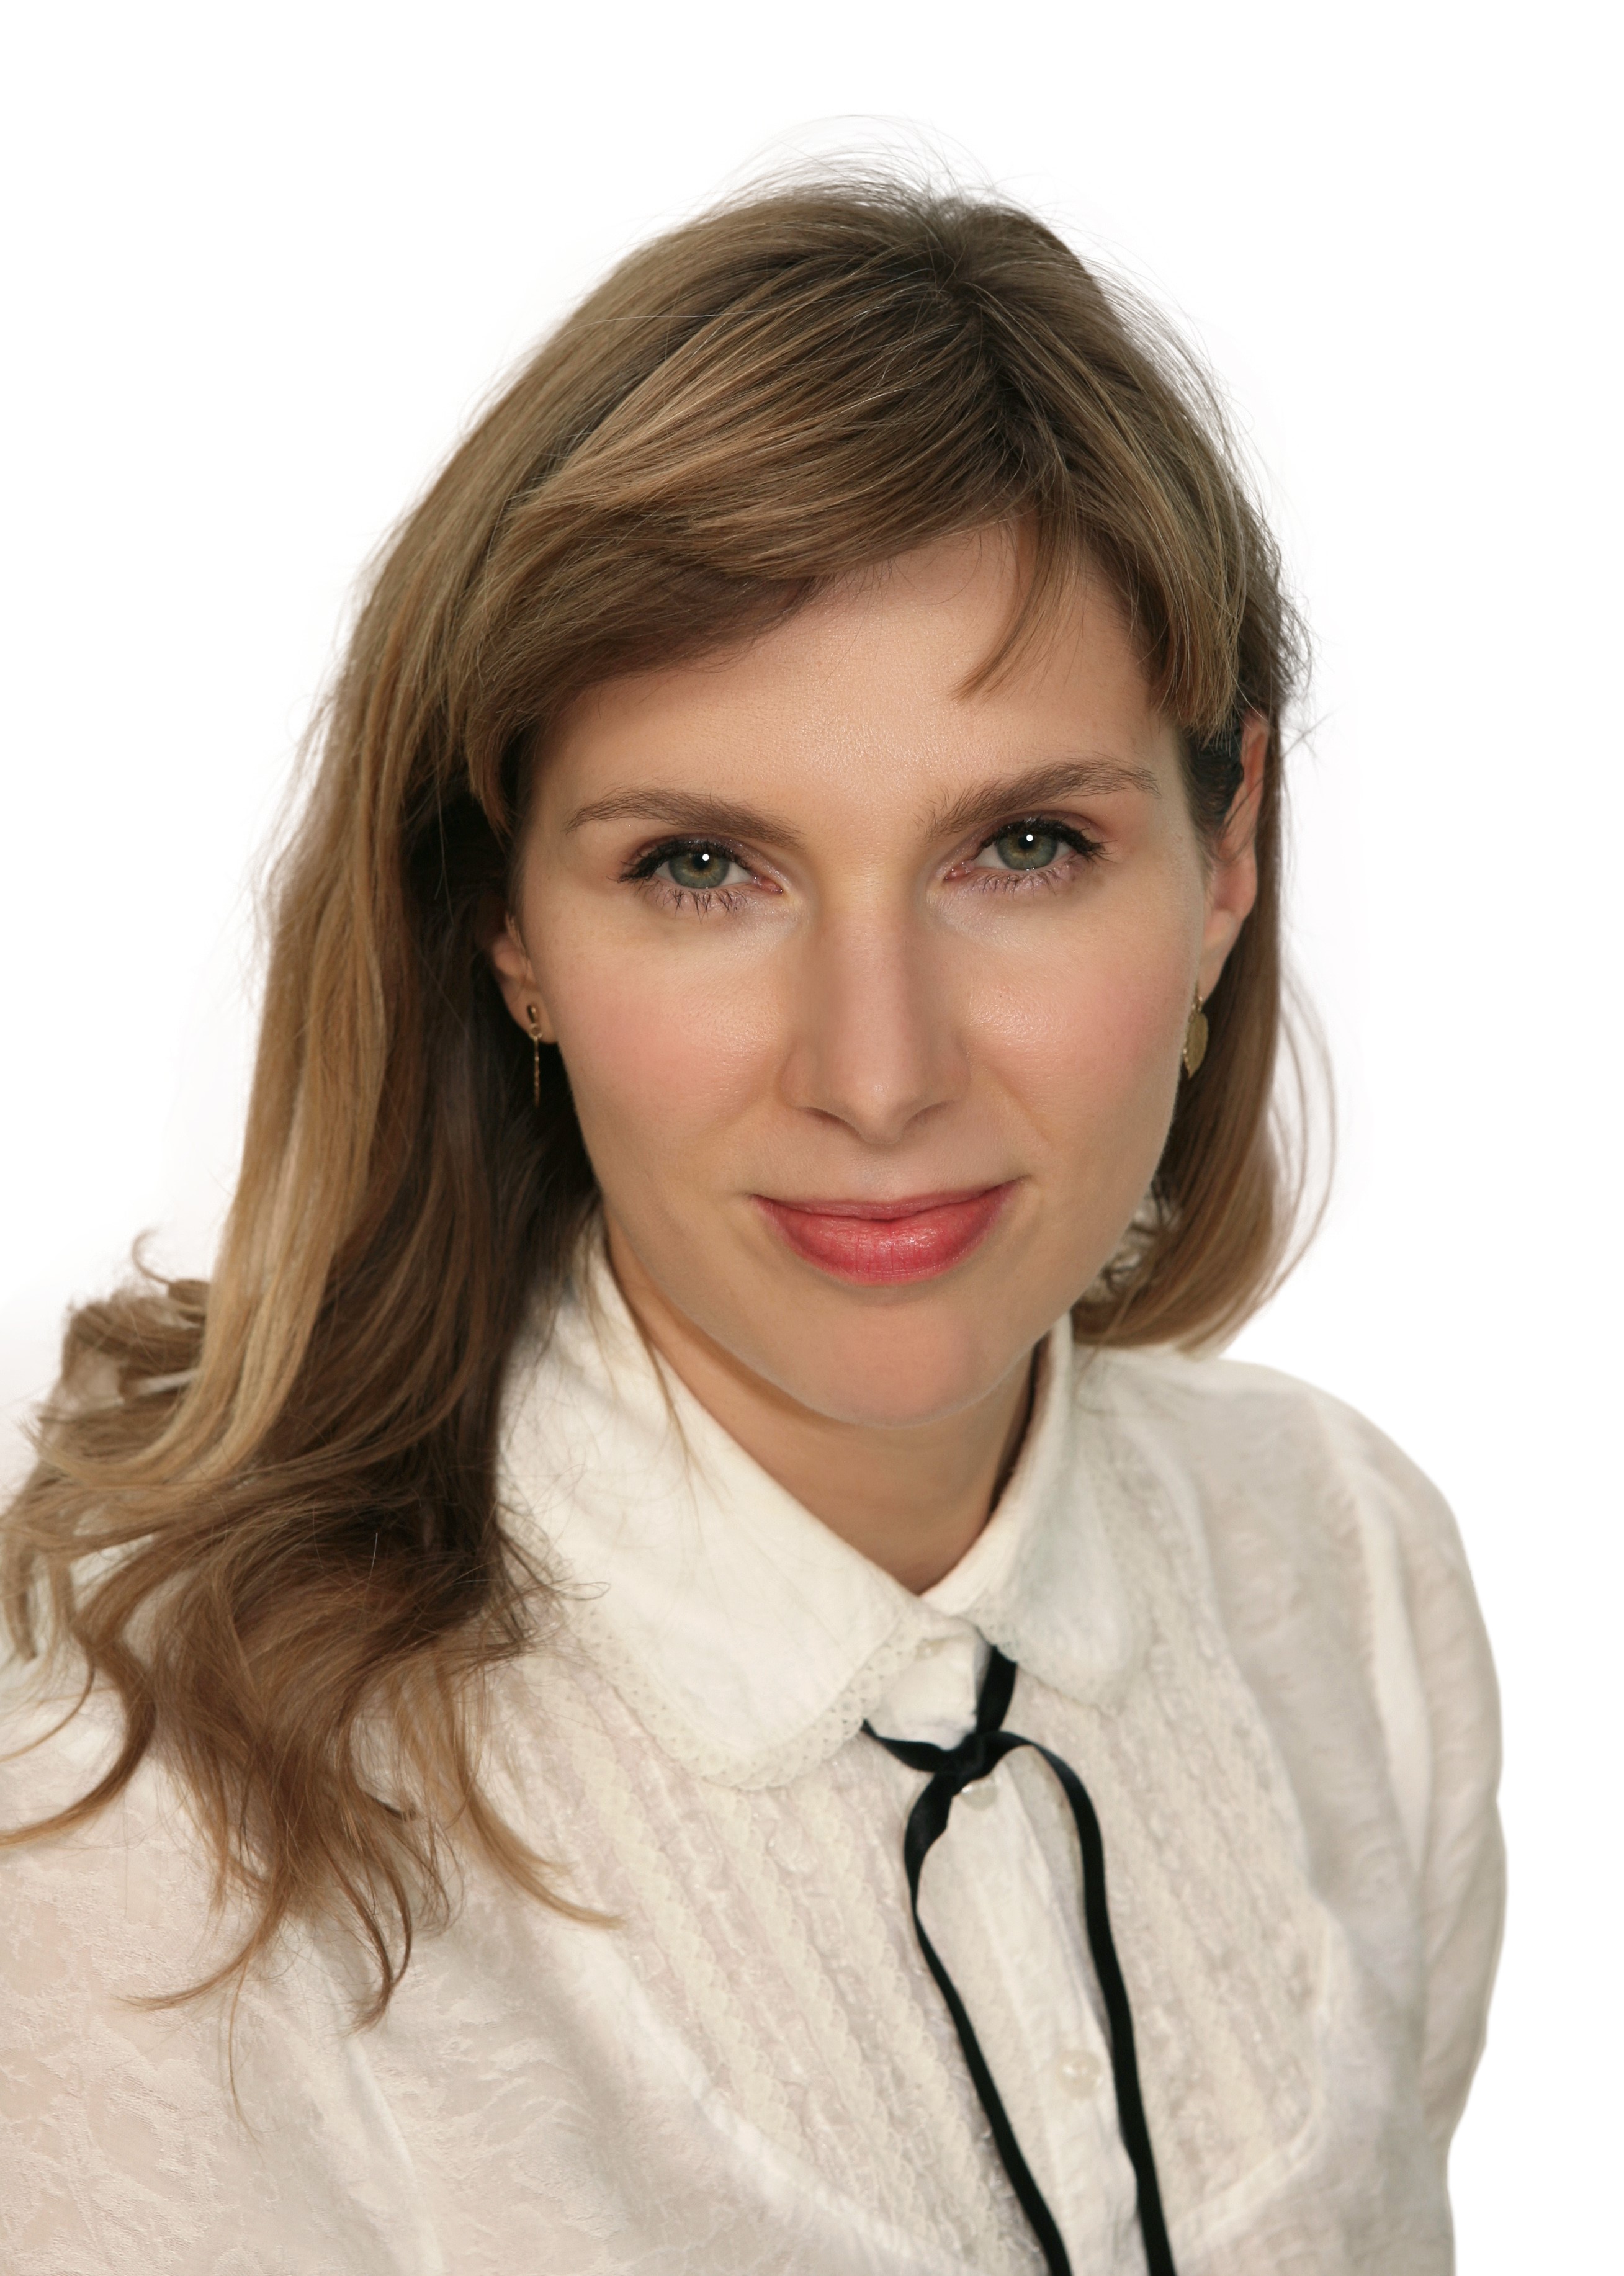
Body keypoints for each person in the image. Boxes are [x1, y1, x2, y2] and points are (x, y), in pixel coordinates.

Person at [0, 178, 1502, 2276]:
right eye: (702, 865)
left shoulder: (1342, 1571)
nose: (875, 1074)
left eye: (1023, 844)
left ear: (1225, 852)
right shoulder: (155, 1829)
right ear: (505, 924)